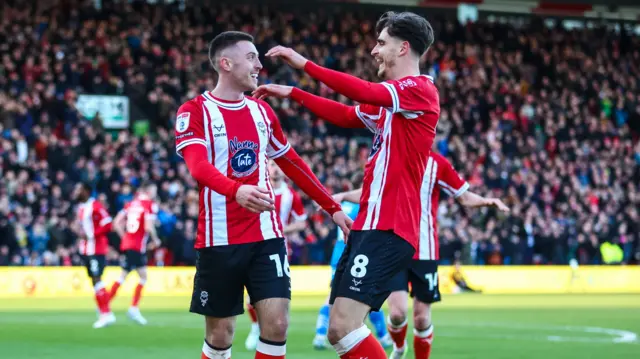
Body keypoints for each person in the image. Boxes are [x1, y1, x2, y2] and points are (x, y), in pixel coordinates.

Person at [255, 11, 438, 359]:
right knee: (340, 330)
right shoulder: (391, 103)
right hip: (368, 226)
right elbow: (345, 114)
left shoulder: (419, 90)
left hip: (390, 226)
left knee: (343, 326)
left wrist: (303, 64)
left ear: (404, 48)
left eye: (381, 43)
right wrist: (293, 93)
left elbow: (362, 89)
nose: (374, 51)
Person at [174, 31, 351, 359]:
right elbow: (197, 167)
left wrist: (331, 207)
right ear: (226, 64)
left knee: (277, 324)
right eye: (252, 57)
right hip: (219, 240)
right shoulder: (194, 111)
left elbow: (292, 163)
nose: (259, 65)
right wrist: (236, 190)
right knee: (220, 334)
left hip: (267, 235)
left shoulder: (263, 113)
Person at [313, 173, 393, 350]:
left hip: (339, 256)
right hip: (355, 257)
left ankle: (320, 334)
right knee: (363, 297)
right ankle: (383, 336)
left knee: (339, 298)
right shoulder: (363, 206)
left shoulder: (345, 205)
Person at [245, 162, 308, 350]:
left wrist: (281, 228)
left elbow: (302, 223)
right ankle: (255, 327)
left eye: (279, 165)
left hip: (280, 249)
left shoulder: (291, 195)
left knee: (274, 296)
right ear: (266, 167)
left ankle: (270, 331)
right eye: (272, 165)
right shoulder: (259, 190)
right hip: (254, 246)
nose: (276, 169)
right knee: (251, 297)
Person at [108, 181, 161, 325]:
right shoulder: (149, 205)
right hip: (137, 246)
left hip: (128, 244)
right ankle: (112, 306)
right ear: (149, 192)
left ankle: (122, 307)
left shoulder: (130, 204)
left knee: (131, 275)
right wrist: (156, 239)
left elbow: (116, 222)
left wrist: (124, 236)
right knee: (137, 277)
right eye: (154, 191)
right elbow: (148, 226)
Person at [73, 182, 115, 329]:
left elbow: (108, 223)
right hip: (86, 250)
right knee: (94, 281)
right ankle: (104, 311)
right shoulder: (81, 207)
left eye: (79, 189)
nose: (76, 191)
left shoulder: (95, 206)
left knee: (97, 279)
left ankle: (106, 313)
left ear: (86, 191)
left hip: (96, 249)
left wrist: (92, 234)